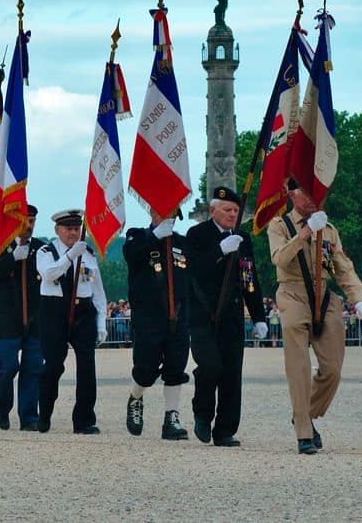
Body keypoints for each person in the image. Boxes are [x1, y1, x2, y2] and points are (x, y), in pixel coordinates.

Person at [268, 180, 362, 455]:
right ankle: (303, 432)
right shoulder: (279, 225)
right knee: (299, 367)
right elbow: (279, 258)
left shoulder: (329, 230)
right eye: (307, 191)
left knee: (333, 370)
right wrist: (303, 233)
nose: (314, 197)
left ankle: (304, 412)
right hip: (293, 293)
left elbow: (342, 268)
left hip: (324, 296)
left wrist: (357, 298)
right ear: (292, 194)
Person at [186, 188, 268, 447]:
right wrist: (220, 251)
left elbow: (249, 279)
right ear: (213, 211)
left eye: (236, 211)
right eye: (228, 210)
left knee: (232, 373)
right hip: (203, 315)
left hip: (232, 315)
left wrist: (259, 316)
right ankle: (202, 414)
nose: (233, 215)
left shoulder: (242, 238)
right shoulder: (197, 235)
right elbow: (194, 269)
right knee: (210, 366)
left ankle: (225, 430)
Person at [123, 207, 191, 441]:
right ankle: (136, 397)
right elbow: (132, 256)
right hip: (148, 317)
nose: (168, 218)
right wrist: (154, 237)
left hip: (178, 316)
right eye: (165, 212)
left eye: (173, 215)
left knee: (176, 367)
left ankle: (171, 417)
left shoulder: (182, 243)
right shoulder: (137, 236)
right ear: (153, 212)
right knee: (146, 368)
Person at [36, 208, 107, 435]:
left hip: (83, 312)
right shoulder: (46, 251)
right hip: (54, 312)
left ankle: (84, 420)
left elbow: (98, 292)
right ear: (57, 230)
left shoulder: (88, 255)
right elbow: (49, 275)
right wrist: (69, 257)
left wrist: (101, 323)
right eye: (68, 228)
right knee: (54, 365)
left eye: (76, 228)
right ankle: (44, 413)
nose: (73, 233)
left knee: (87, 366)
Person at [0, 205, 45, 431]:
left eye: (31, 221)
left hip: (35, 319)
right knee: (7, 368)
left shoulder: (42, 249)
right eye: (24, 220)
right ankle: (2, 408)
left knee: (32, 368)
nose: (28, 226)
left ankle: (29, 416)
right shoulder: (0, 248)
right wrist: (12, 258)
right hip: (7, 320)